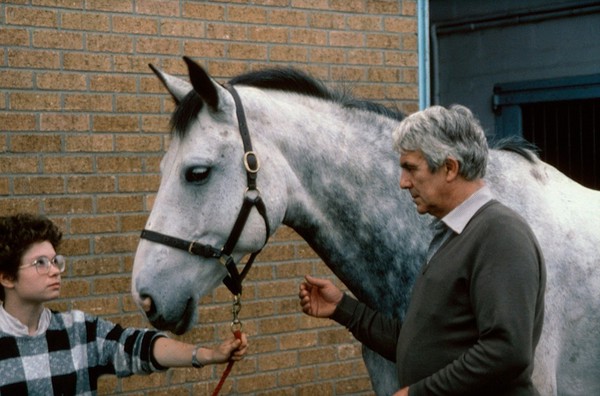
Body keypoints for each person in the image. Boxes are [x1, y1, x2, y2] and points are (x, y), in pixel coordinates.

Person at [299, 105, 546, 395]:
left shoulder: (499, 234)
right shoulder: (453, 235)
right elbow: (419, 342)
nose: (403, 183)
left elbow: (507, 351)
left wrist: (420, 392)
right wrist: (342, 308)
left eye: (411, 168)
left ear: (450, 168)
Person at [0, 213, 248, 395]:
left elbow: (139, 347)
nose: (54, 271)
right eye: (40, 263)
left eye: (55, 261)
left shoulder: (78, 330)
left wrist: (208, 355)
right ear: (7, 277)